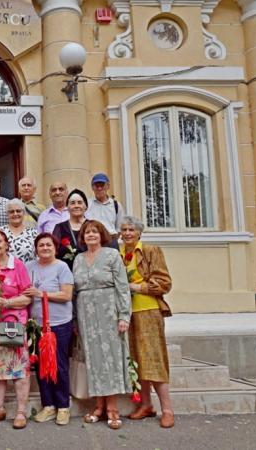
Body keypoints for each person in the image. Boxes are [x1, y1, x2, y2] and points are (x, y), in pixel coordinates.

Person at [73, 220, 132, 430]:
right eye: (87, 232)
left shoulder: (112, 255)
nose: (91, 235)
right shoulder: (78, 259)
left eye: (94, 232)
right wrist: (75, 319)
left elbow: (123, 287)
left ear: (101, 235)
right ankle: (98, 406)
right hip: (85, 315)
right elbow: (75, 291)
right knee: (93, 359)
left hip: (109, 313)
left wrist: (124, 315)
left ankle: (113, 408)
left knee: (110, 359)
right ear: (83, 237)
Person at [119, 216, 175, 428]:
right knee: (136, 359)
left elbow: (164, 283)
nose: (127, 233)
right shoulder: (118, 253)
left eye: (131, 229)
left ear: (139, 233)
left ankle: (167, 409)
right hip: (126, 314)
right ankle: (146, 405)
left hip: (148, 310)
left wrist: (137, 287)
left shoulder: (150, 251)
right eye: (124, 229)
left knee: (154, 359)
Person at [0, 229, 32, 430]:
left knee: (18, 369)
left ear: (6, 244)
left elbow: (28, 297)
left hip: (13, 323)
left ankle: (21, 412)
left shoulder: (17, 265)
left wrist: (7, 302)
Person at [23, 233, 74, 426]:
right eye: (41, 245)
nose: (45, 248)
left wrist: (41, 293)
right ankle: (48, 405)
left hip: (59, 324)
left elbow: (67, 295)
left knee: (59, 365)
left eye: (48, 245)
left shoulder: (62, 267)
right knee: (41, 366)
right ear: (36, 249)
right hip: (36, 325)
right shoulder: (29, 267)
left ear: (55, 247)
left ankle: (63, 406)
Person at [52, 189, 89, 270]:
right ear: (67, 207)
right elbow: (53, 252)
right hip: (66, 273)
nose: (76, 206)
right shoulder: (59, 228)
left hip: (90, 272)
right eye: (72, 203)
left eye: (80, 202)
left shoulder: (93, 226)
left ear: (86, 206)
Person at [85, 173, 125, 247]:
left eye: (102, 185)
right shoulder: (87, 204)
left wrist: (112, 241)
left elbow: (119, 227)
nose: (99, 188)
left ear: (108, 186)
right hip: (92, 242)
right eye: (97, 186)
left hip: (111, 241)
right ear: (92, 187)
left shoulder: (116, 205)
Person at [0, 199, 38, 263]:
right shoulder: (0, 232)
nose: (15, 214)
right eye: (11, 212)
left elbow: (38, 256)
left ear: (24, 213)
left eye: (18, 211)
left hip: (27, 269)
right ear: (7, 214)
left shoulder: (33, 233)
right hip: (5, 269)